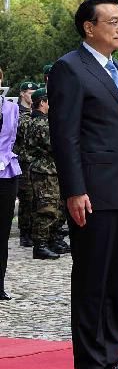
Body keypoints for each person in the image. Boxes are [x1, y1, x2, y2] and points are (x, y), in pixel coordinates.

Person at [48, 0, 118, 369]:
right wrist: (74, 190)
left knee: (115, 281)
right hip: (93, 192)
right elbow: (65, 135)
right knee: (92, 280)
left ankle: (112, 356)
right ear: (90, 27)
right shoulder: (70, 69)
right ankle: (90, 364)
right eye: (112, 21)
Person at [24, 88, 69, 259]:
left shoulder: (43, 121)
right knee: (46, 208)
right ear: (42, 103)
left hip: (50, 170)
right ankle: (40, 245)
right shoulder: (40, 123)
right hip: (44, 171)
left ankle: (50, 239)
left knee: (54, 207)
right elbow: (55, 144)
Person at [0, 66, 21, 299]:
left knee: (2, 232)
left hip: (6, 172)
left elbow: (14, 138)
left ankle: (0, 283)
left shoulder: (11, 107)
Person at [15, 81, 38, 248]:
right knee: (26, 198)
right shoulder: (17, 112)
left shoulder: (35, 112)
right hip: (23, 161)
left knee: (37, 198)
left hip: (35, 161)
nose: (32, 96)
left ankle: (35, 231)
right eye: (30, 93)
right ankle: (25, 232)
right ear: (22, 94)